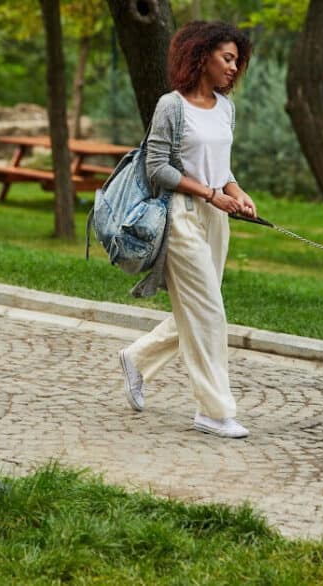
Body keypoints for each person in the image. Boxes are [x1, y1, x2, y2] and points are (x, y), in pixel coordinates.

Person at [118, 21, 255, 438]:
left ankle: (136, 358)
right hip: (180, 216)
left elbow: (220, 165)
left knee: (198, 308)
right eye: (227, 59)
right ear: (201, 56)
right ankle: (213, 411)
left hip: (216, 218)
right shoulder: (171, 106)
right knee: (210, 312)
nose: (234, 68)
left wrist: (236, 191)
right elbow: (156, 168)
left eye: (237, 61)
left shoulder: (225, 108)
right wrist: (211, 194)